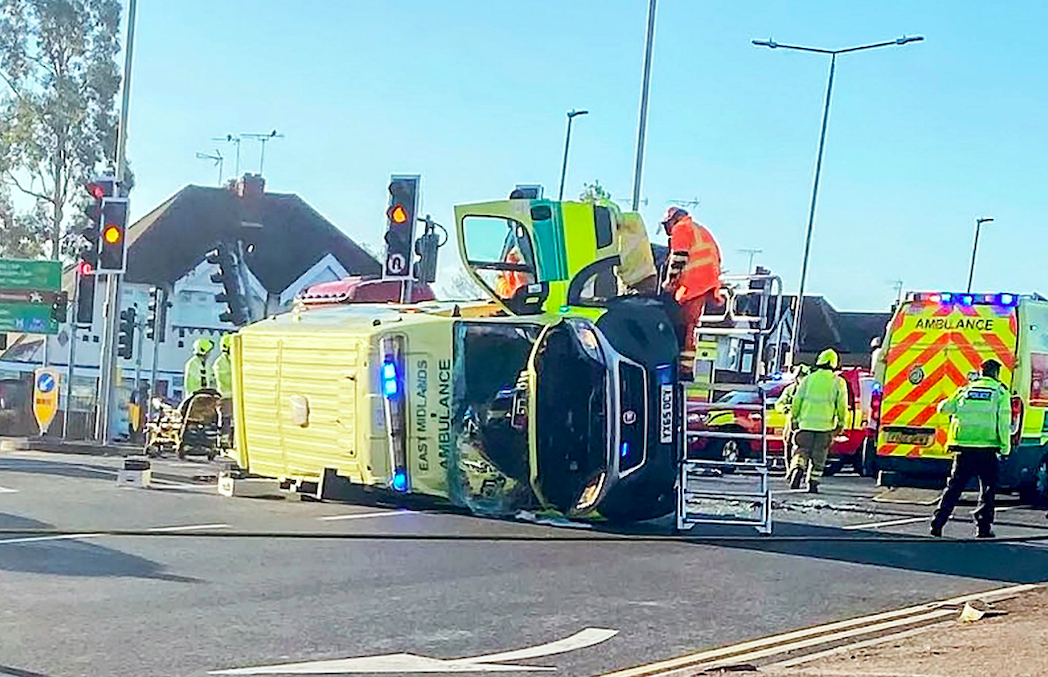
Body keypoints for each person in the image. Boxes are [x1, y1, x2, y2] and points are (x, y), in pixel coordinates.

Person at [930, 359, 1011, 538]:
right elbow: (1004, 424)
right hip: (987, 449)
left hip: (964, 449)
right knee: (988, 489)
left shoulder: (965, 390)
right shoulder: (999, 392)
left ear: (980, 372)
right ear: (996, 374)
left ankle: (938, 522)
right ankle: (983, 528)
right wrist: (1005, 449)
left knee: (954, 488)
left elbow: (943, 408)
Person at [660, 207, 722, 380]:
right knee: (689, 329)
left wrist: (670, 282)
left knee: (681, 326)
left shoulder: (681, 228)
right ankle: (685, 370)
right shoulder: (700, 230)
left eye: (667, 226)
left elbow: (679, 257)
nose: (668, 231)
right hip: (705, 284)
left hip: (693, 284)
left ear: (673, 221)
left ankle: (683, 371)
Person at [786, 349, 848, 493]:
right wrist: (840, 424)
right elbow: (842, 405)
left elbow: (797, 400)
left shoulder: (808, 379)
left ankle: (798, 467)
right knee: (819, 455)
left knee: (801, 450)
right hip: (825, 427)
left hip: (805, 425)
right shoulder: (837, 382)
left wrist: (794, 419)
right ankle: (813, 483)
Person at [775, 364, 811, 462]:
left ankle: (799, 468)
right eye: (800, 376)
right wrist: (785, 408)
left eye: (803, 376)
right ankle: (790, 470)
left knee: (803, 449)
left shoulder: (811, 390)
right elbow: (779, 404)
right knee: (788, 445)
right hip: (791, 423)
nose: (802, 379)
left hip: (806, 424)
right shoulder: (790, 390)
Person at [213, 334, 234, 443]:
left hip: (234, 395)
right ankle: (223, 440)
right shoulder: (220, 363)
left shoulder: (230, 360)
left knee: (232, 420)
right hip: (226, 396)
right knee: (226, 418)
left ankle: (230, 439)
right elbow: (227, 379)